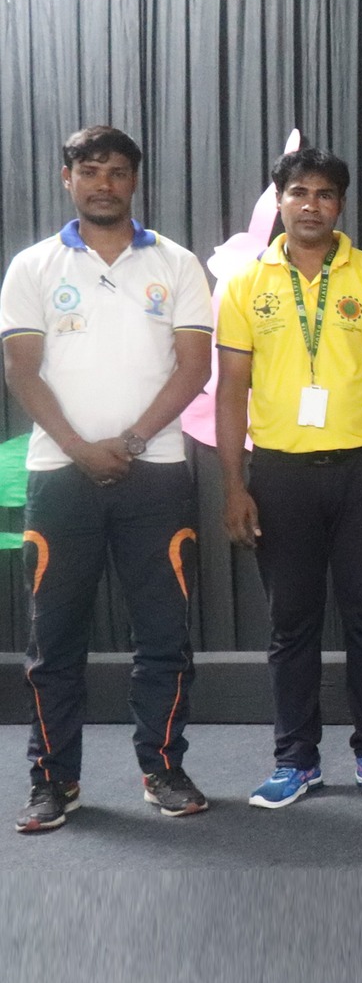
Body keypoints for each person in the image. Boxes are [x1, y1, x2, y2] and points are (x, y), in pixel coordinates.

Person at [2, 126, 213, 832]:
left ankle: (163, 769)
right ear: (67, 178)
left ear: (134, 181)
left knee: (164, 636)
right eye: (89, 171)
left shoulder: (176, 262)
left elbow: (195, 367)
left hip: (155, 475)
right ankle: (52, 780)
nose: (103, 183)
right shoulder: (32, 266)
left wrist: (129, 441)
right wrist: (78, 448)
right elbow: (21, 371)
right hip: (59, 477)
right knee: (53, 642)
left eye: (117, 172)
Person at [215, 146, 362, 809]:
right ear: (279, 201)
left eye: (325, 194)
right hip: (280, 473)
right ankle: (295, 760)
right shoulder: (247, 282)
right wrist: (234, 484)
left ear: (341, 204)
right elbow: (231, 389)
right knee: (291, 622)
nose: (311, 205)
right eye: (299, 192)